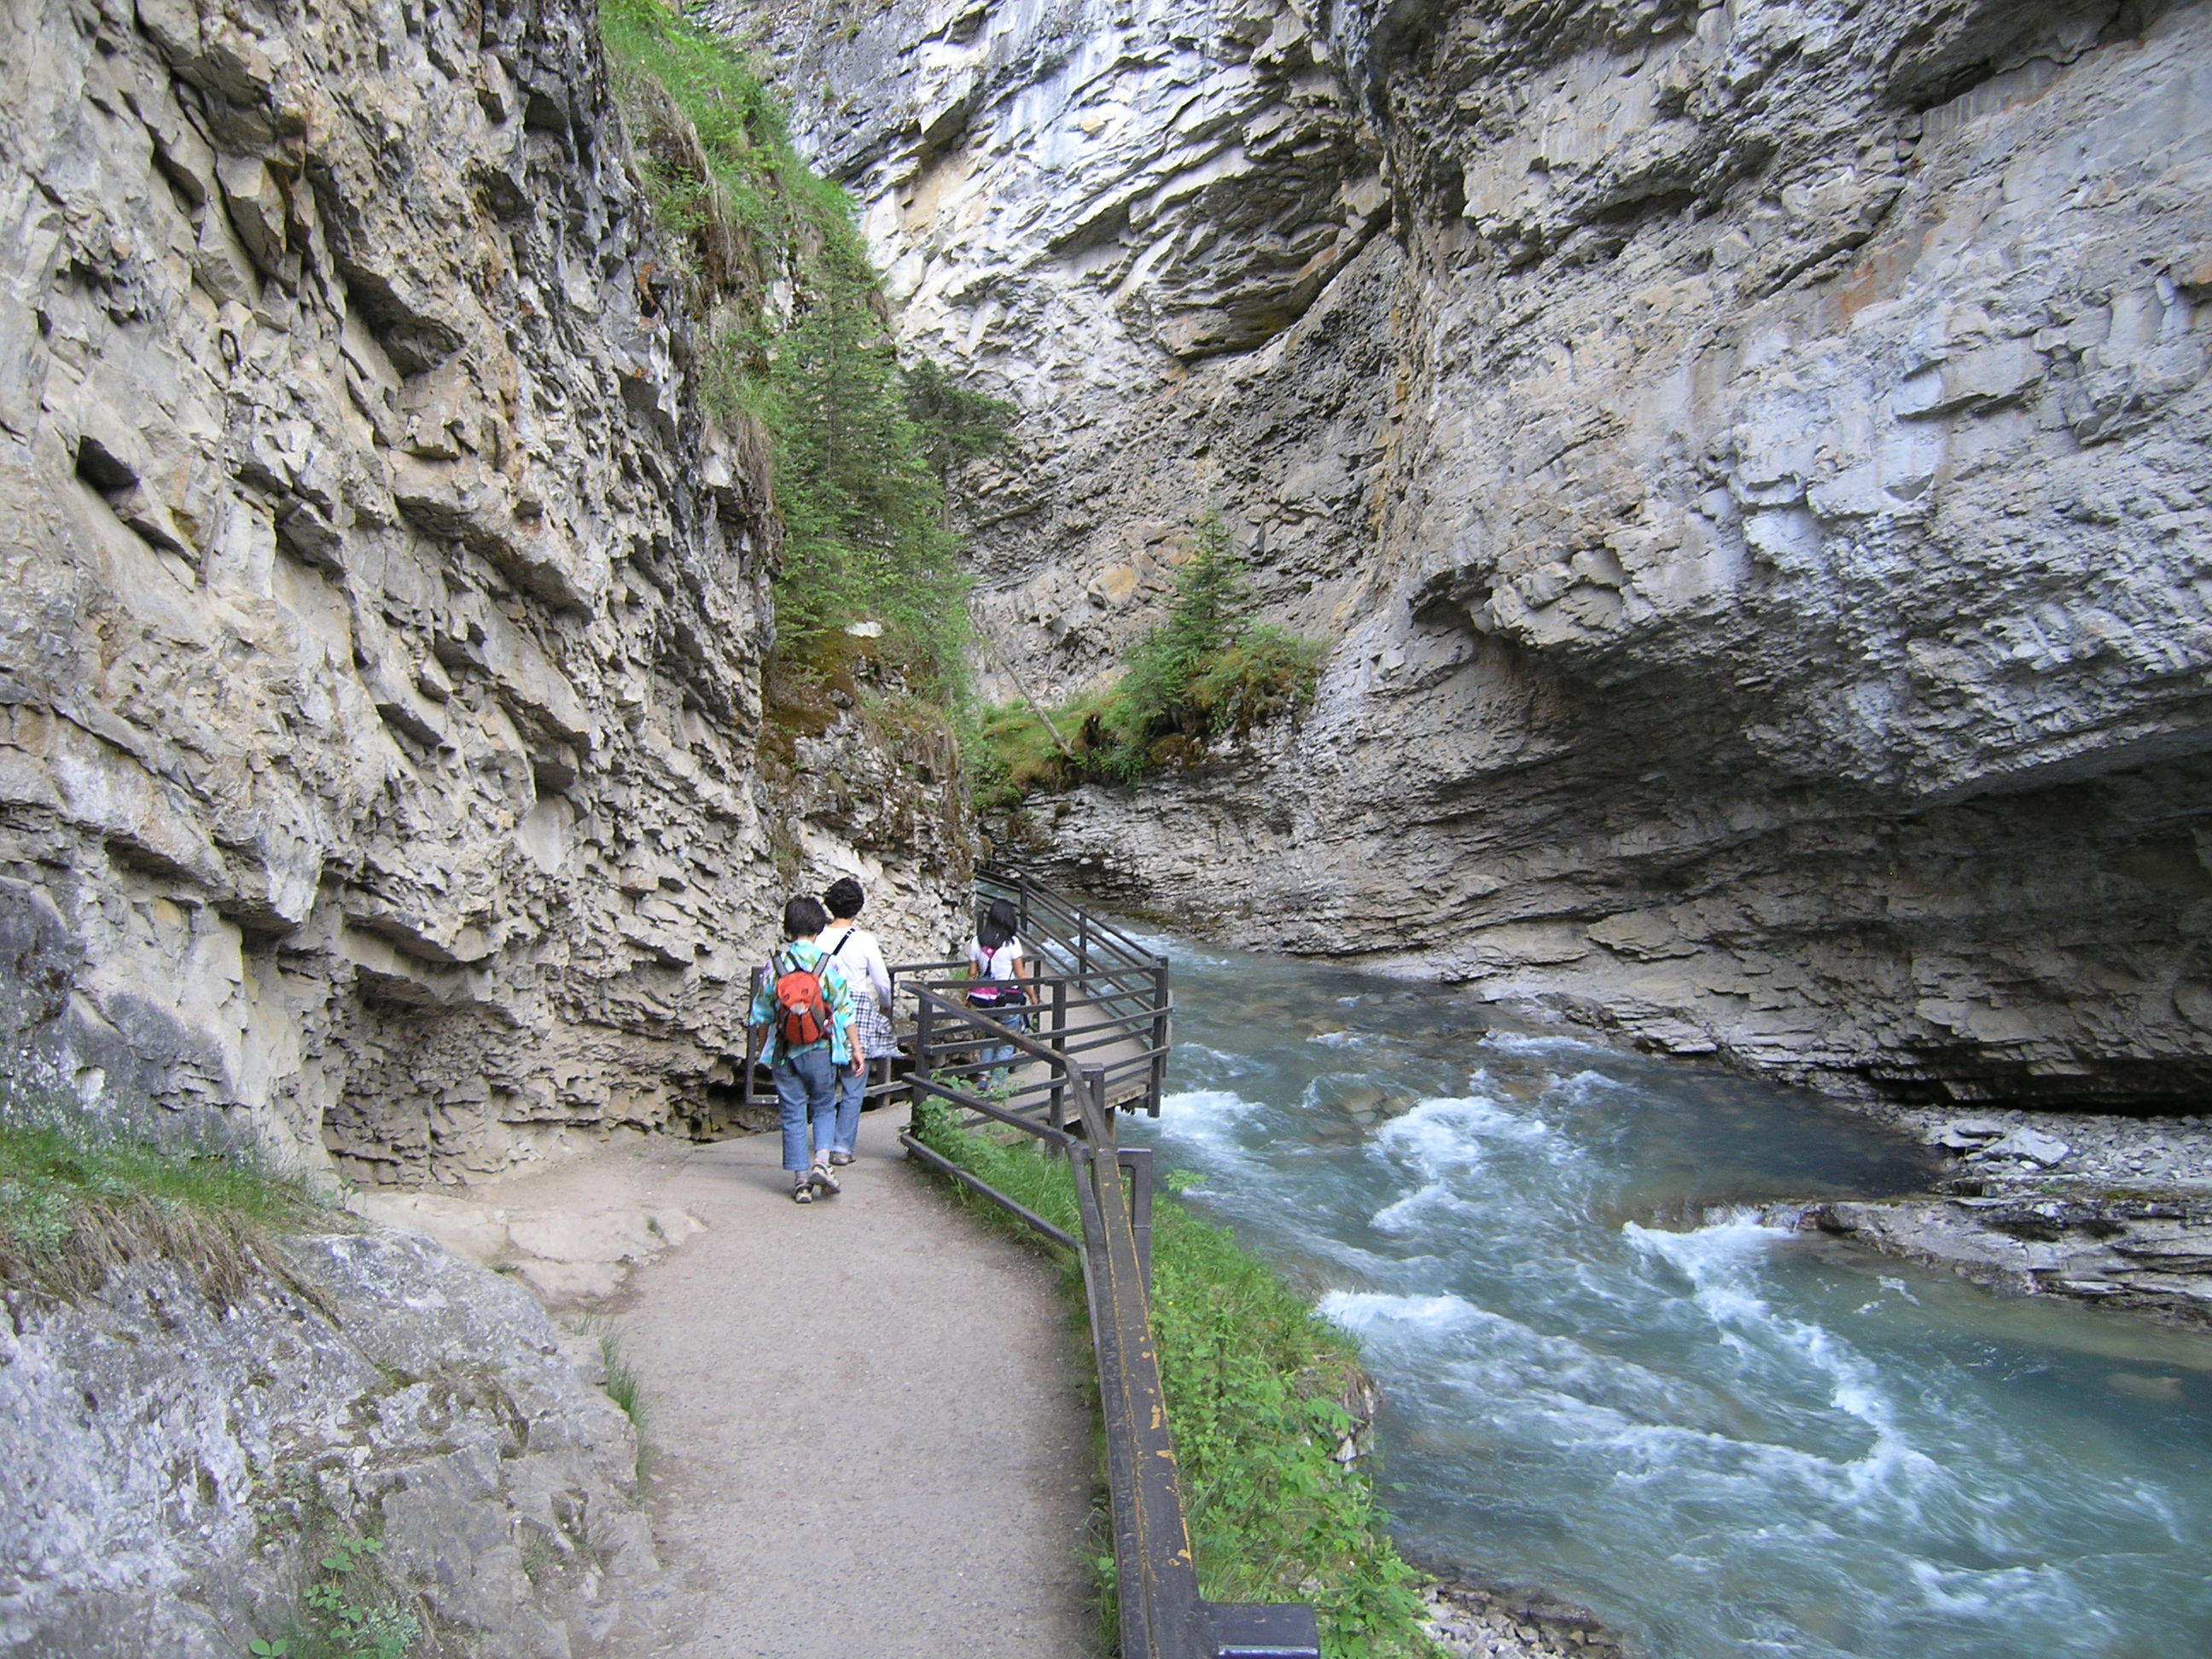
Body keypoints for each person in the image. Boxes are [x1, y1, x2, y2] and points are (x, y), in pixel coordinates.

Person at [748, 895, 862, 1204]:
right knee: (824, 1105)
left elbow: (761, 1015)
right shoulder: (829, 963)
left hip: (785, 1049)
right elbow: (844, 1008)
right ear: (817, 927)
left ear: (788, 927)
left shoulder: (775, 966)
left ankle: (800, 1182)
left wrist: (763, 1050)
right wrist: (856, 1049)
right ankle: (821, 1164)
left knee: (793, 1112)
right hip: (821, 1048)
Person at [817, 876, 894, 1167]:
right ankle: (842, 1147)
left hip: (822, 1010)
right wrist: (885, 1007)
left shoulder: (818, 937)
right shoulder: (864, 940)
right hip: (856, 1011)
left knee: (824, 1080)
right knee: (854, 1081)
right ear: (858, 907)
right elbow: (881, 981)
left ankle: (822, 1145)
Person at [965, 895, 1032, 1075]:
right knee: (1008, 1042)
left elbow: (972, 974)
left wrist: (967, 997)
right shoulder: (1012, 943)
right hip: (1008, 998)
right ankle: (997, 1085)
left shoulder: (976, 942)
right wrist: (1033, 996)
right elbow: (1021, 974)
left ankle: (983, 1078)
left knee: (990, 1037)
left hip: (985, 1000)